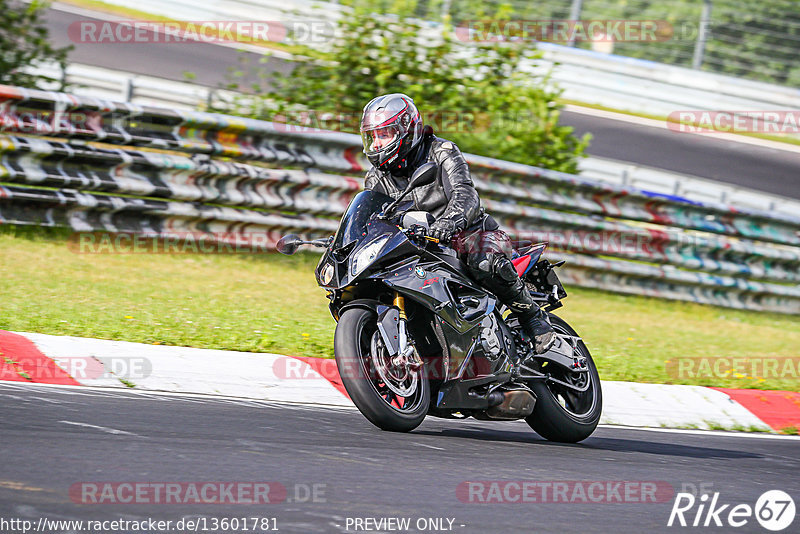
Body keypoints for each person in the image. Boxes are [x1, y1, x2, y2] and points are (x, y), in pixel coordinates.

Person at [360, 93, 556, 354]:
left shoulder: (442, 152)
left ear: (406, 130)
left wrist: (448, 223)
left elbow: (465, 194)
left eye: (384, 134)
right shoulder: (376, 178)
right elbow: (372, 218)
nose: (376, 144)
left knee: (483, 260)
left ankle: (532, 318)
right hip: (420, 248)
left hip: (470, 234)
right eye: (372, 136)